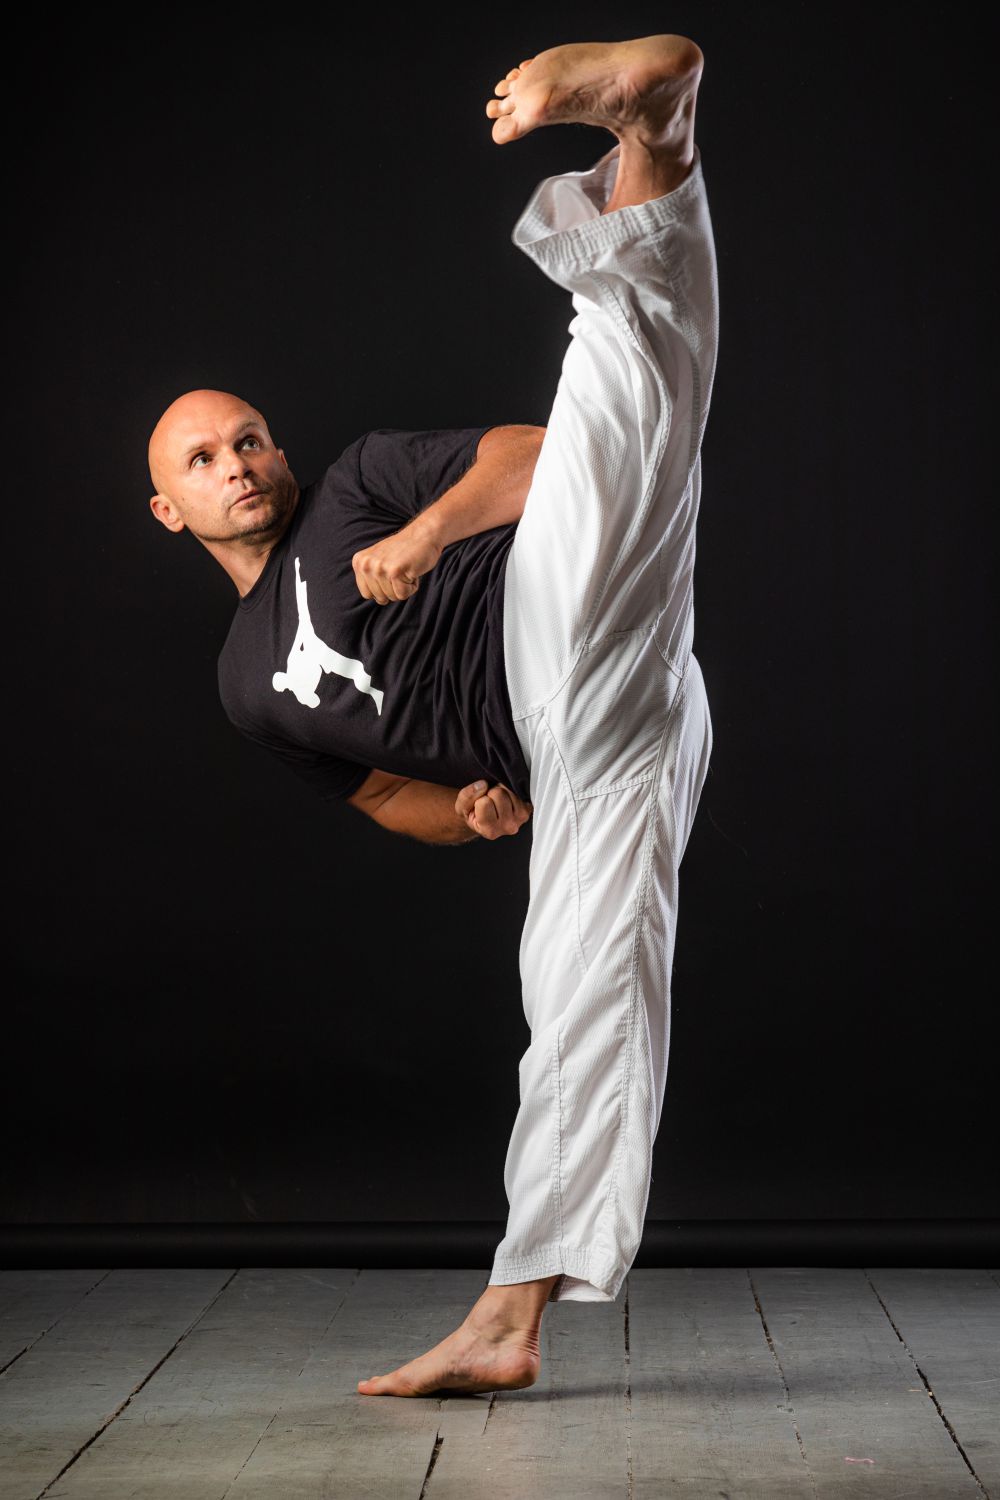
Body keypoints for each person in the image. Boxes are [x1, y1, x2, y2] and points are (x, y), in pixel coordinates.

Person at [147, 32, 718, 1398]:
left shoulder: (354, 484)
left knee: (614, 403)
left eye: (248, 437)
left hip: (547, 605)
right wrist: (469, 816)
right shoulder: (244, 688)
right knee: (581, 992)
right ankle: (511, 1321)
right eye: (205, 459)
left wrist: (429, 530)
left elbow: (533, 459)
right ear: (170, 508)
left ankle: (654, 127)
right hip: (584, 749)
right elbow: (386, 800)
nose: (240, 463)